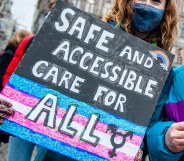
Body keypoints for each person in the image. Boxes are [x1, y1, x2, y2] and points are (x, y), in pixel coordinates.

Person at [0, 0, 181, 160]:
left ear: (166, 11)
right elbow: (40, 90)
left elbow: (149, 128)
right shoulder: (83, 41)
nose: (147, 5)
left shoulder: (162, 73)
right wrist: (11, 107)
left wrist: (139, 149)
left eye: (156, 1)